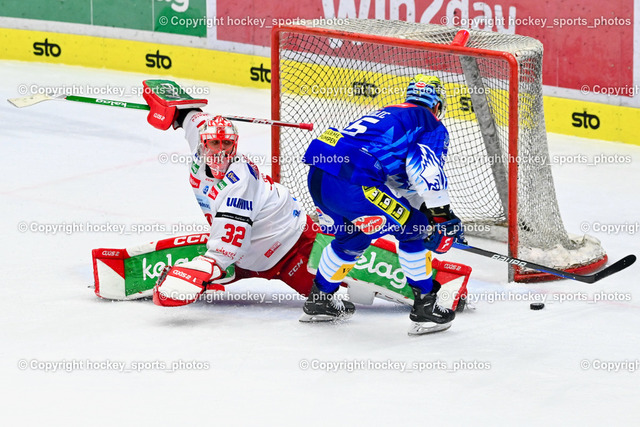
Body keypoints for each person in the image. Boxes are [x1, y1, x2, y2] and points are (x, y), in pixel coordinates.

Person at [301, 74, 466, 335]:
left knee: (353, 237)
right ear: (437, 105)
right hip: (353, 184)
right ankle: (425, 307)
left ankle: (320, 300)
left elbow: (399, 181)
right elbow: (424, 168)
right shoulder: (430, 123)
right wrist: (440, 216)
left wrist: (427, 211)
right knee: (415, 229)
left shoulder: (389, 113)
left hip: (319, 177)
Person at [141, 80, 319, 306]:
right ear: (203, 144)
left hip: (289, 245)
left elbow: (227, 247)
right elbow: (191, 114)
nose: (220, 150)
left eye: (226, 144)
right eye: (214, 143)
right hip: (248, 257)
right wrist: (174, 109)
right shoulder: (200, 136)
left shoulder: (238, 183)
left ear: (235, 145)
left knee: (326, 292)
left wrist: (203, 269)